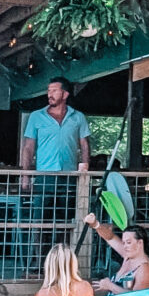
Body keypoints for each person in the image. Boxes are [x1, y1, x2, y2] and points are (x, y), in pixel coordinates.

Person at [21, 77, 91, 266]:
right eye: (49, 90)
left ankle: (61, 263)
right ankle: (39, 263)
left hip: (68, 177)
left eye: (54, 90)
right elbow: (28, 147)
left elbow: (84, 144)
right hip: (44, 176)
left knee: (65, 222)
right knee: (41, 222)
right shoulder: (36, 116)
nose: (49, 94)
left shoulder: (78, 117)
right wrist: (26, 176)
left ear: (65, 94)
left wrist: (84, 168)